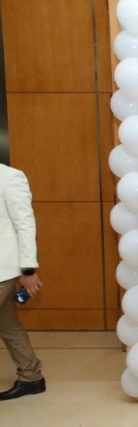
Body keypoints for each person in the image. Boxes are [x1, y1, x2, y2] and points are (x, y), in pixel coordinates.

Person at [0, 164, 46, 401]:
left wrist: (28, 269)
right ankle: (31, 378)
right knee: (7, 324)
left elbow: (25, 224)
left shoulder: (10, 177)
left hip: (3, 269)